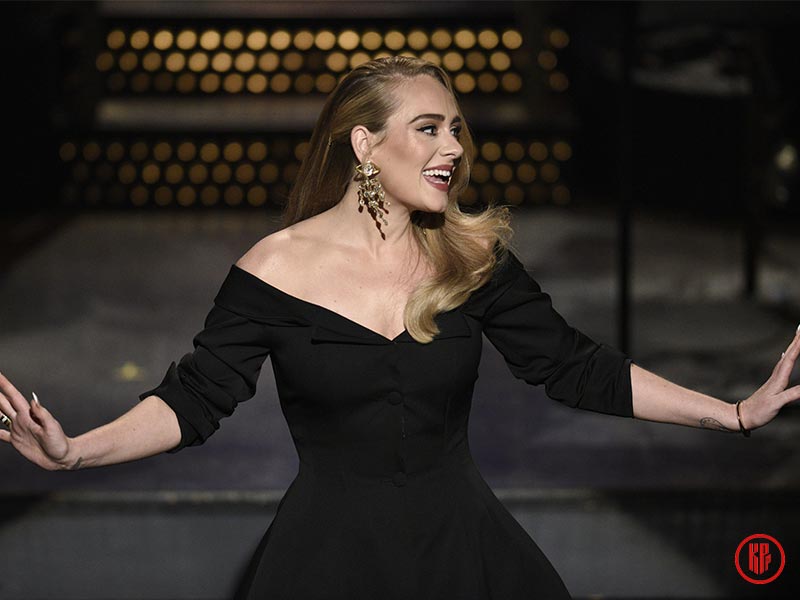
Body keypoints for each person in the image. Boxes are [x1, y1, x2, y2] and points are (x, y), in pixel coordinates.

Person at [1, 56, 799, 599]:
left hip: (464, 555)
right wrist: (77, 451)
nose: (454, 147)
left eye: (456, 128)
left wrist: (731, 413)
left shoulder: (472, 260)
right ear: (365, 145)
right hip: (327, 562)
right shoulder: (274, 269)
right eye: (429, 128)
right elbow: (195, 399)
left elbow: (575, 366)